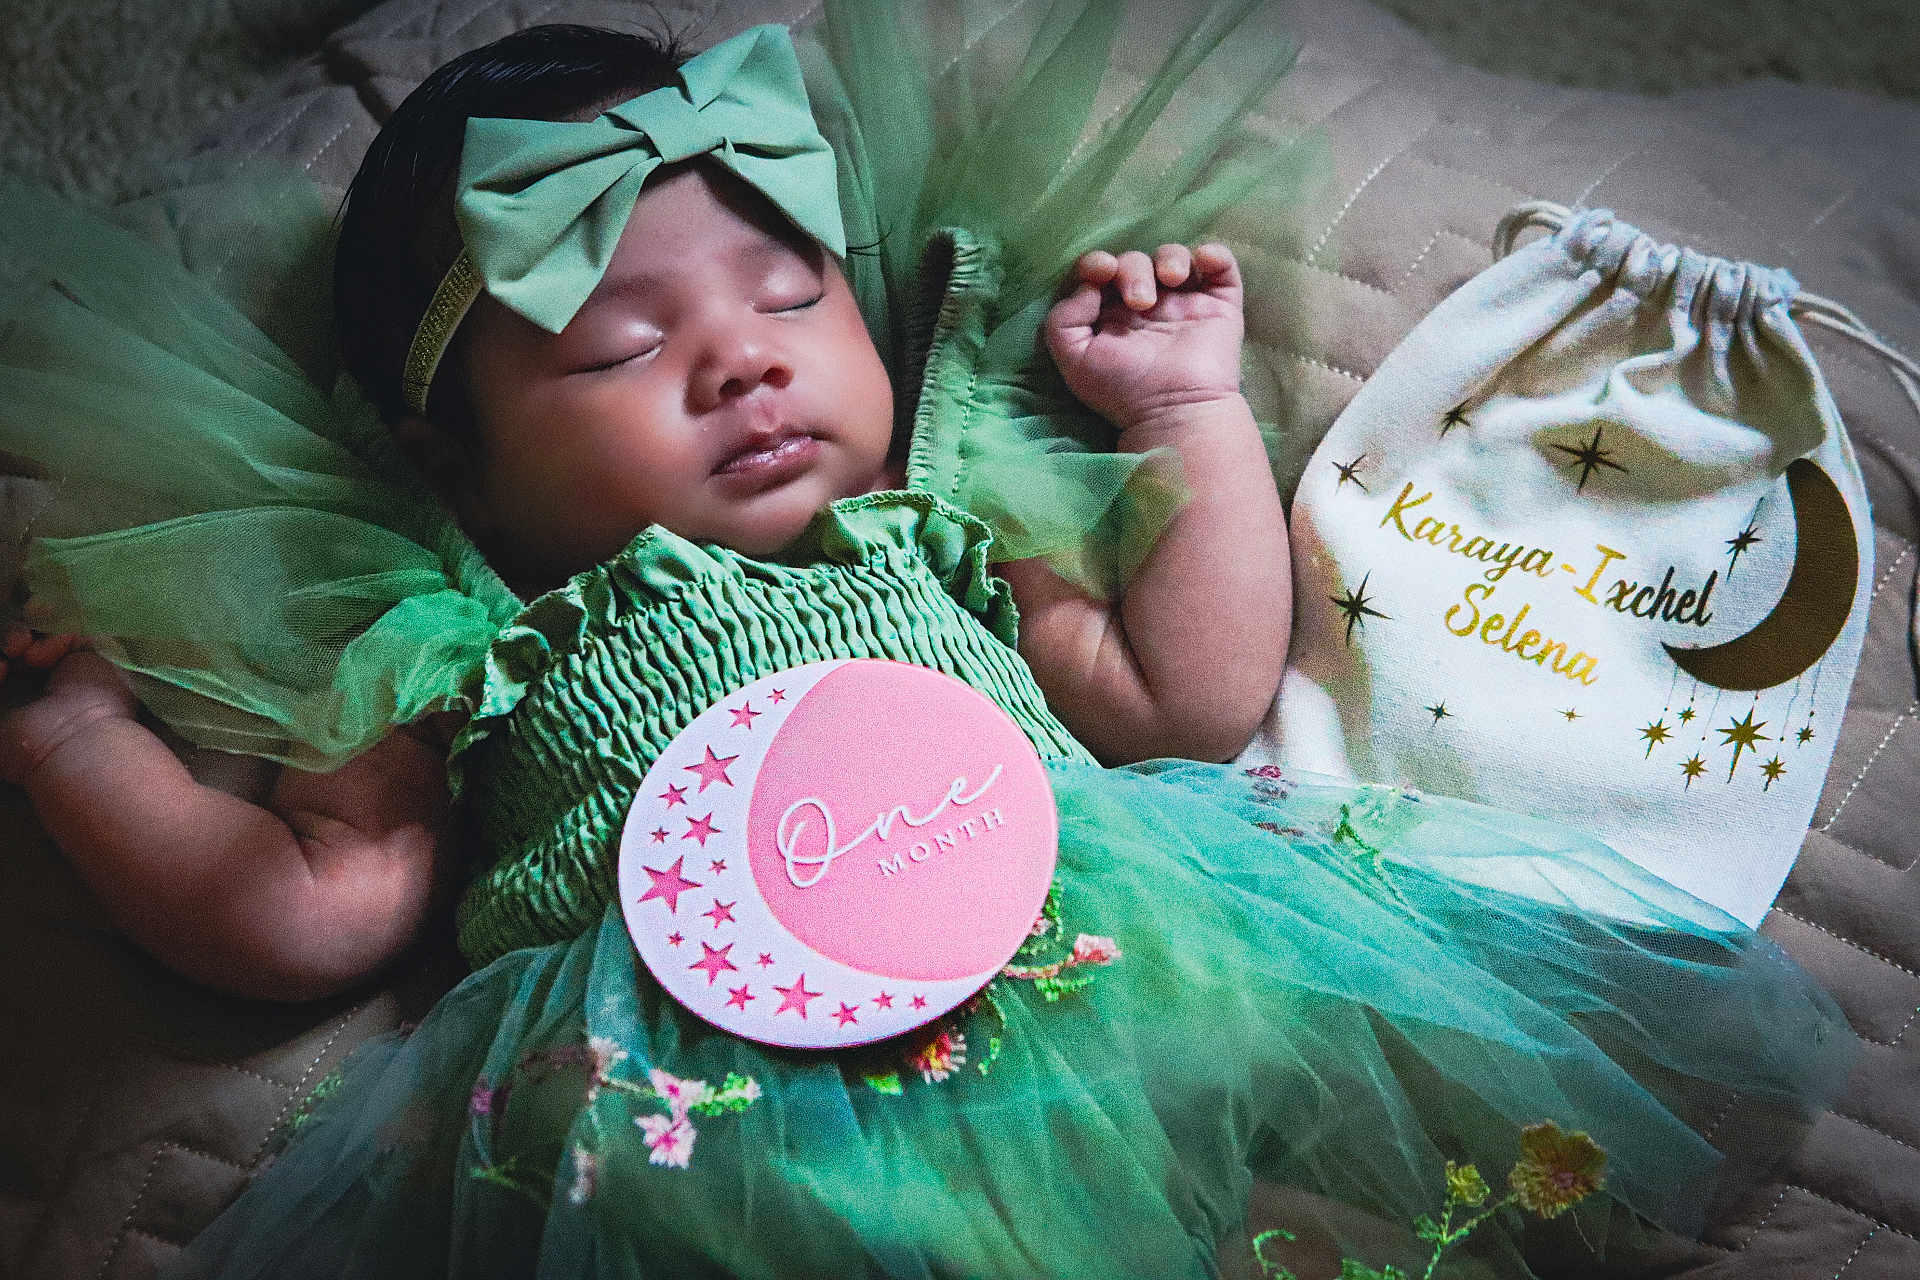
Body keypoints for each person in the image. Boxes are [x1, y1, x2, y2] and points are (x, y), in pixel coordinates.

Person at [0, 6, 1857, 1277]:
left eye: (788, 292)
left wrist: (1185, 417)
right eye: (621, 349)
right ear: (450, 458)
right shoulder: (463, 640)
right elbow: (310, 908)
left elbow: (1188, 699)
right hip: (717, 1112)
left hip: (1103, 964)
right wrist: (75, 741)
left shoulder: (934, 536)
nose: (743, 360)